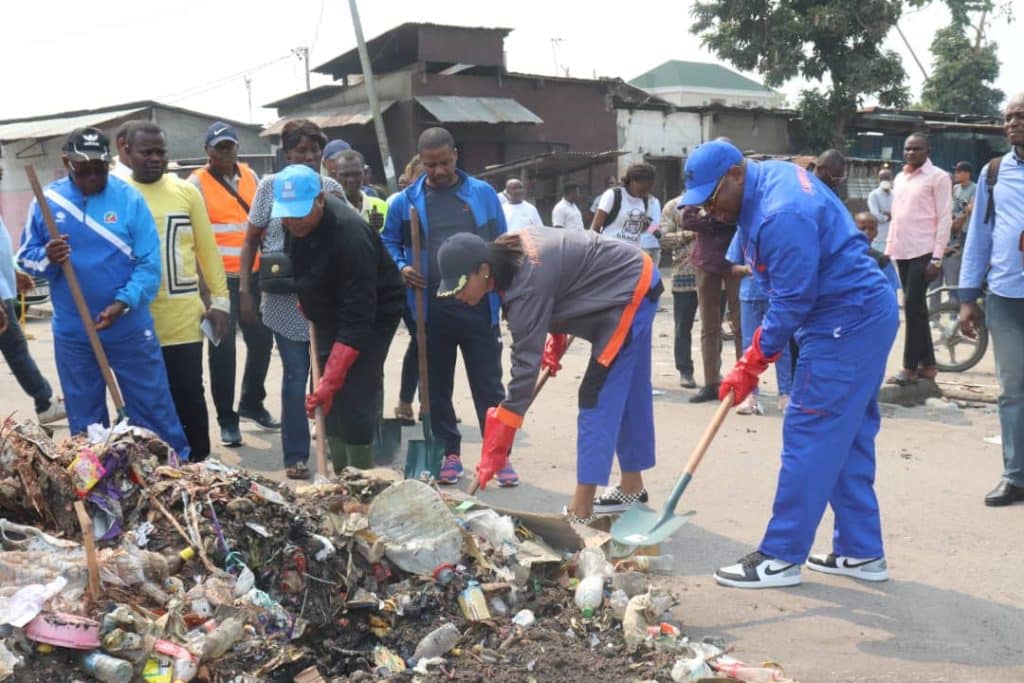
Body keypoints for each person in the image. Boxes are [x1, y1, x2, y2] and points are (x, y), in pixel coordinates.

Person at [678, 140, 898, 588]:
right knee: (847, 436)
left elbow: (792, 300)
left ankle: (780, 556)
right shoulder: (767, 180)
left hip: (846, 322)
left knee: (810, 432)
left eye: (712, 198)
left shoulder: (783, 213)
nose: (710, 211)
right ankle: (861, 551)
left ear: (736, 174)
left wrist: (752, 362)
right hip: (861, 314)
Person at [435, 227, 663, 521]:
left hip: (629, 292)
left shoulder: (527, 280)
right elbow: (564, 278)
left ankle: (581, 508)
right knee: (627, 393)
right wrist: (555, 333)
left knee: (597, 396)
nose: (458, 295)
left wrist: (498, 441)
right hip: (635, 277)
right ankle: (632, 488)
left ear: (483, 270)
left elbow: (524, 371)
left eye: (461, 285)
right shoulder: (511, 252)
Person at [17, 127, 189, 457]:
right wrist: (48, 257)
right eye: (84, 169)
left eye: (100, 168)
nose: (93, 176)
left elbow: (150, 265)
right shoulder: (47, 201)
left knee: (153, 411)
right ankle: (97, 494)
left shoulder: (128, 199)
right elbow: (26, 257)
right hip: (74, 331)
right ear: (67, 162)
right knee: (86, 423)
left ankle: (169, 475)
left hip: (129, 326)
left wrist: (123, 302)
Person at [382, 127, 515, 486]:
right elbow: (388, 241)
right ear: (421, 163)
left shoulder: (483, 195)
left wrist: (502, 294)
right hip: (430, 309)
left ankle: (497, 455)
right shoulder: (405, 202)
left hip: (478, 306)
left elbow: (502, 247)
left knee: (489, 386)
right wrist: (401, 266)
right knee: (436, 386)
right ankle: (447, 453)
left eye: (443, 162)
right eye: (430, 165)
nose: (438, 171)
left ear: (455, 155)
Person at [269, 164, 404, 471]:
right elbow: (301, 265)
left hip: (374, 309)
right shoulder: (295, 223)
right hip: (330, 301)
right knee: (328, 397)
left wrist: (331, 380)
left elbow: (357, 321)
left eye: (298, 214)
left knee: (354, 388)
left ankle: (358, 478)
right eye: (286, 215)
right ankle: (338, 470)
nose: (292, 222)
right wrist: (309, 300)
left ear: (320, 200)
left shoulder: (350, 236)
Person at [239, 119, 346, 479]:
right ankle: (296, 456)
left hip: (325, 298)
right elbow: (251, 239)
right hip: (283, 299)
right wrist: (245, 291)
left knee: (326, 376)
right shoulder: (269, 187)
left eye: (315, 150)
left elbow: (347, 240)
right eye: (301, 150)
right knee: (295, 373)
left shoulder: (329, 187)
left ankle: (329, 446)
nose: (309, 156)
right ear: (286, 153)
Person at [124, 122, 230, 462]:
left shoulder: (186, 192)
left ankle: (199, 466)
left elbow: (207, 249)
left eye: (161, 152)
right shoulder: (119, 194)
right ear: (126, 151)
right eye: (147, 152)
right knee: (146, 398)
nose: (155, 159)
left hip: (184, 316)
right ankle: (154, 470)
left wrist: (221, 299)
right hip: (137, 318)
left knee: (188, 394)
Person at [189, 121, 277, 446]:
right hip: (218, 281)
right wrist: (205, 288)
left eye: (230, 146)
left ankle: (252, 402)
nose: (225, 152)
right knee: (222, 352)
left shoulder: (251, 177)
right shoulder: (195, 184)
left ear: (237, 148)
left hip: (253, 276)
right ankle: (228, 420)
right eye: (219, 147)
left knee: (262, 342)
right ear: (207, 151)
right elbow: (194, 238)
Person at [959, 92, 1024, 507]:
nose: (1012, 123)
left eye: (1021, 116)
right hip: (1004, 296)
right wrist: (967, 296)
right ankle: (1015, 476)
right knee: (1012, 388)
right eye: (1008, 117)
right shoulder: (994, 172)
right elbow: (979, 237)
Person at [886, 133, 952, 386]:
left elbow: (944, 218)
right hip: (902, 250)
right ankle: (929, 365)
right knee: (917, 308)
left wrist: (936, 259)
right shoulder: (900, 178)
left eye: (917, 148)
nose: (911, 152)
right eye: (908, 148)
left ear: (928, 150)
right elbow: (897, 216)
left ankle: (909, 367)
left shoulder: (938, 177)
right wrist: (890, 249)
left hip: (924, 250)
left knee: (912, 306)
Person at [0, 169, 65, 424]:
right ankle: (44, 400)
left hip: (4, 292)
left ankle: (45, 400)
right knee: (16, 350)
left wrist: (14, 273)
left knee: (16, 350)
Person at [679, 203, 742, 403]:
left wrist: (711, 220)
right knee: (709, 326)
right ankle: (711, 384)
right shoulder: (702, 190)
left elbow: (744, 220)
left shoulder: (737, 187)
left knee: (741, 325)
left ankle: (744, 385)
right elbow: (688, 220)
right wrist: (718, 221)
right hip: (707, 261)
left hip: (736, 261)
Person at [725, 234, 793, 414]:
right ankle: (750, 395)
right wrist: (750, 269)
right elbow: (733, 267)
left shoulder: (780, 229)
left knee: (782, 346)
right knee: (749, 346)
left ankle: (785, 394)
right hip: (750, 295)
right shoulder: (743, 231)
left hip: (777, 296)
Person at [392, 154, 426, 425]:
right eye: (421, 173)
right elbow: (387, 242)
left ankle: (429, 402)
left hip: (430, 289)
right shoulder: (398, 204)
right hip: (401, 290)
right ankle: (405, 401)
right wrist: (402, 266)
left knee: (429, 345)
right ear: (410, 176)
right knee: (419, 342)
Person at [658, 195, 698, 389]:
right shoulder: (673, 206)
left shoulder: (716, 200)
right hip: (684, 274)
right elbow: (663, 239)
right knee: (683, 326)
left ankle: (714, 371)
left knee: (714, 328)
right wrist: (688, 234)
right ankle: (685, 370)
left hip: (715, 274)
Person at [591, 165, 662, 263]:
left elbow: (644, 226)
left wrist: (658, 232)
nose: (646, 192)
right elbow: (595, 227)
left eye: (649, 188)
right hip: (610, 255)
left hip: (632, 258)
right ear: (633, 180)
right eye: (643, 187)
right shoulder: (613, 195)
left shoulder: (644, 200)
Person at [930, 161, 975, 309]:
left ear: (966, 173)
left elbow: (969, 211)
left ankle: (954, 313)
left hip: (963, 235)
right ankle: (934, 314)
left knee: (953, 281)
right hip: (944, 240)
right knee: (935, 282)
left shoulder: (974, 188)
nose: (956, 175)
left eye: (958, 172)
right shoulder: (954, 190)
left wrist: (962, 216)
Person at [330, 149, 388, 230]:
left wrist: (376, 232)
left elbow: (390, 240)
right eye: (345, 175)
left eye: (356, 174)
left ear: (365, 172)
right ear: (335, 175)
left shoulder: (382, 206)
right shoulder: (331, 210)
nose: (351, 180)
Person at [855, 212, 901, 292]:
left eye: (872, 229)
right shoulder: (842, 256)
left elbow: (890, 290)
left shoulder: (882, 259)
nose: (867, 232)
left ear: (876, 233)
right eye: (862, 229)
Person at [867, 169, 894, 251]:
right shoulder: (873, 195)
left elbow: (900, 214)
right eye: (882, 178)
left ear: (891, 179)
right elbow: (876, 216)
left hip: (894, 238)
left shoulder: (896, 194)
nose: (884, 180)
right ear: (878, 179)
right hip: (879, 238)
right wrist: (890, 216)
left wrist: (886, 215)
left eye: (887, 178)